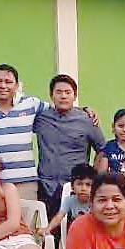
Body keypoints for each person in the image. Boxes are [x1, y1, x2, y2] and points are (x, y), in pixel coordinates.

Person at [0, 64, 100, 203]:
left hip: (29, 183)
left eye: (8, 82)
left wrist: (85, 111)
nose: (3, 86)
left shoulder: (31, 105)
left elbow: (101, 149)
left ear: (16, 86)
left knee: (30, 223)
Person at [33, 74, 105, 228]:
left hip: (75, 190)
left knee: (76, 233)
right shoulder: (40, 118)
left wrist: (93, 177)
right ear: (51, 95)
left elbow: (102, 149)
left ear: (75, 95)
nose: (63, 96)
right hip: (46, 186)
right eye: (59, 92)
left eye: (68, 92)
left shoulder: (87, 120)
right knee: (48, 234)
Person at [43, 163, 96, 236]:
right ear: (72, 187)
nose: (83, 188)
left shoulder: (96, 202)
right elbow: (59, 217)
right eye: (79, 184)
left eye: (88, 185)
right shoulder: (69, 201)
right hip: (77, 235)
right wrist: (48, 228)